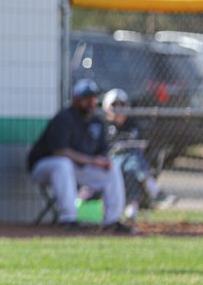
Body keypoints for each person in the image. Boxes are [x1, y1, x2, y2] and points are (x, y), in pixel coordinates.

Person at [28, 78, 133, 233]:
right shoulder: (64, 118)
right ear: (76, 99)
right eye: (87, 98)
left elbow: (102, 152)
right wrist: (92, 161)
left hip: (77, 168)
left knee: (112, 167)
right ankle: (68, 219)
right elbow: (59, 151)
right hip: (44, 167)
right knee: (63, 164)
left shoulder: (96, 121)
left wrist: (103, 162)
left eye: (93, 97)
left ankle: (112, 220)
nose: (91, 102)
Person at [101, 88, 177, 219]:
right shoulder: (103, 125)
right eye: (114, 106)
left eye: (122, 106)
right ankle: (153, 191)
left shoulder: (132, 125)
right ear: (106, 108)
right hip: (109, 163)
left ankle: (133, 211)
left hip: (129, 164)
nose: (118, 110)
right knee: (133, 159)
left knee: (132, 165)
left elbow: (146, 145)